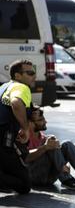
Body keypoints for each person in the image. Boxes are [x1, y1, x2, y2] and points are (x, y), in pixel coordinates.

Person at [25, 107, 75, 191]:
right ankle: (66, 179)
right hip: (34, 177)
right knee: (51, 145)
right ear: (30, 123)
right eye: (41, 120)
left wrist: (64, 164)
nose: (45, 122)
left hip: (49, 176)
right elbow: (25, 157)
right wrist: (45, 147)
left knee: (67, 144)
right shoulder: (24, 137)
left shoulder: (43, 137)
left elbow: (56, 155)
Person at [0, 59, 36, 194]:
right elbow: (16, 103)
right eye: (30, 73)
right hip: (3, 138)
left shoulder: (4, 86)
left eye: (34, 72)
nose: (34, 76)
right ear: (17, 76)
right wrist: (25, 128)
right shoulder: (21, 87)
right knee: (24, 184)